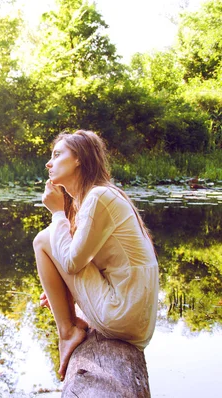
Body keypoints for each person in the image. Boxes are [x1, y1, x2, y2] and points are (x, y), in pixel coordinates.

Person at [33, 130, 159, 379]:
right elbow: (84, 262)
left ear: (78, 158)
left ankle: (67, 332)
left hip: (122, 314)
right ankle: (70, 324)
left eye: (57, 155)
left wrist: (57, 213)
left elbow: (70, 263)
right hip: (133, 319)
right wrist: (63, 292)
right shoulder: (101, 195)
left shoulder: (99, 196)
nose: (49, 163)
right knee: (51, 240)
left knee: (43, 240)